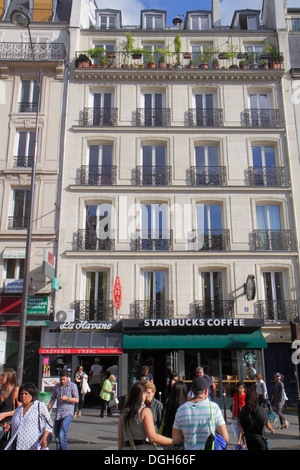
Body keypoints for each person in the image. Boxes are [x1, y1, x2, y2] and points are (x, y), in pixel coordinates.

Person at [118, 382, 180, 450]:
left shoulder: (124, 412)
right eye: (145, 392)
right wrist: (173, 441)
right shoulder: (145, 411)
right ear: (143, 394)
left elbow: (121, 439)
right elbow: (152, 437)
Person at [172, 376, 228, 450]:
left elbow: (175, 438)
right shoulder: (214, 407)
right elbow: (225, 437)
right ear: (206, 391)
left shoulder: (181, 409)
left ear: (192, 391)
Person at [4, 382, 53, 450]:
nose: (23, 396)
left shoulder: (39, 406)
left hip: (34, 446)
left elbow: (49, 424)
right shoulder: (18, 410)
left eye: (26, 394)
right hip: (17, 446)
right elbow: (16, 427)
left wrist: (44, 437)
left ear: (32, 394)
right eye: (21, 394)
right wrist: (8, 427)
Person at [48, 369, 79, 450]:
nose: (62, 381)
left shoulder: (73, 386)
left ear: (68, 377)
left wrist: (67, 398)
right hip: (58, 413)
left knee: (62, 435)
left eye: (64, 379)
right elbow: (53, 398)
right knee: (57, 436)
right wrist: (49, 406)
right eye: (61, 379)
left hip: (68, 412)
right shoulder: (57, 386)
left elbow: (77, 399)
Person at [161, 380, 187, 450]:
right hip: (183, 435)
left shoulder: (169, 401)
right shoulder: (186, 405)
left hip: (169, 433)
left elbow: (165, 417)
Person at [0, 369, 21, 448]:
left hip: (9, 426)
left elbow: (20, 410)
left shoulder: (15, 390)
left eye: (3, 376)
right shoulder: (1, 391)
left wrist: (4, 415)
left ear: (9, 378)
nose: (0, 377)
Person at [231, 383, 246, 448]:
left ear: (244, 389)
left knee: (240, 428)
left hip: (244, 413)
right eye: (239, 387)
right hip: (237, 413)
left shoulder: (245, 396)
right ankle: (243, 442)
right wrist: (233, 414)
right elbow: (234, 404)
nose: (239, 389)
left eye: (241, 388)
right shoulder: (236, 395)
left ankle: (239, 441)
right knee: (240, 429)